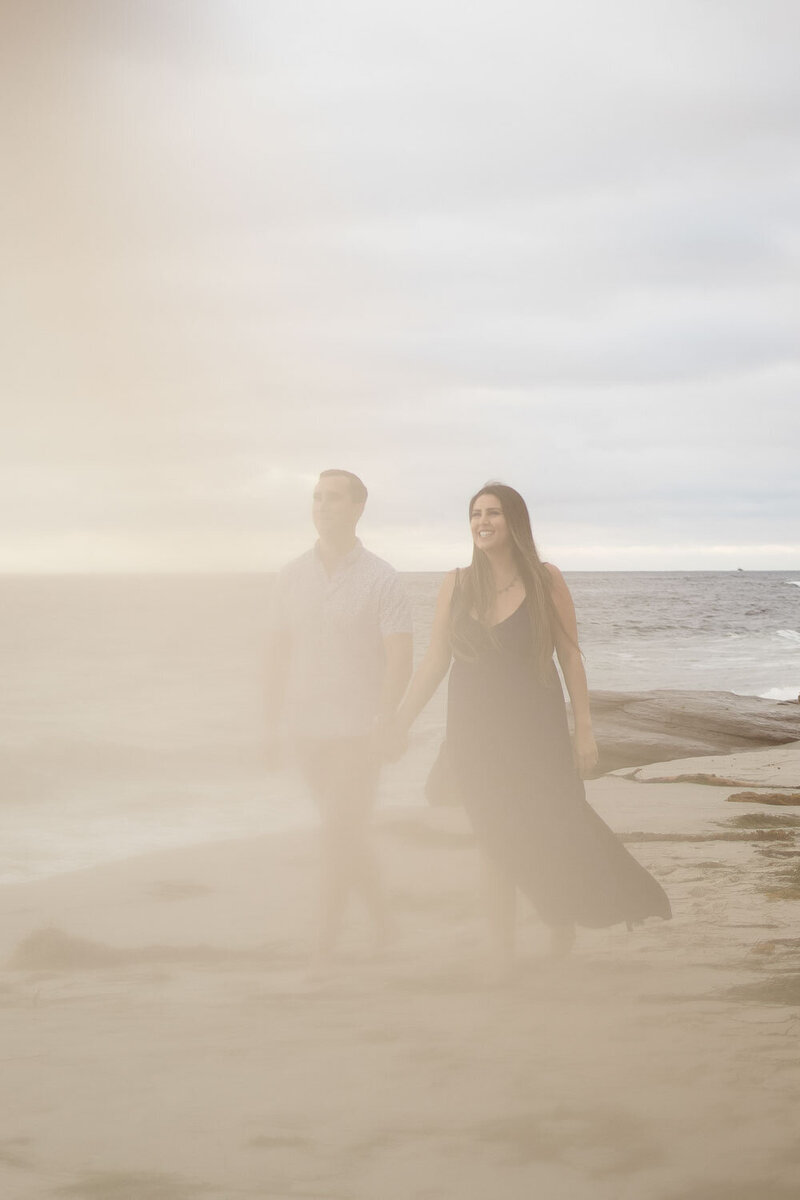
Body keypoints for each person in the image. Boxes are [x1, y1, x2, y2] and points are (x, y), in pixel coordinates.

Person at [387, 482, 670, 980]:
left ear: (515, 521)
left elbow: (570, 655)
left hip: (535, 730)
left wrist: (584, 728)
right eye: (475, 514)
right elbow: (435, 661)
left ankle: (560, 915)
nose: (482, 522)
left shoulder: (545, 580)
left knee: (553, 828)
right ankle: (502, 953)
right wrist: (402, 720)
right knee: (494, 840)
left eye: (493, 513)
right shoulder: (455, 583)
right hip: (474, 733)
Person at [266, 470, 413, 968]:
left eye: (333, 498)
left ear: (357, 508)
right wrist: (269, 724)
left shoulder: (382, 577)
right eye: (316, 497)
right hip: (306, 728)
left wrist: (388, 719)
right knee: (344, 832)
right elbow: (277, 652)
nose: (322, 506)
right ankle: (387, 924)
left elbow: (400, 658)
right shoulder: (289, 576)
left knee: (336, 834)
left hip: (359, 731)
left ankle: (322, 948)